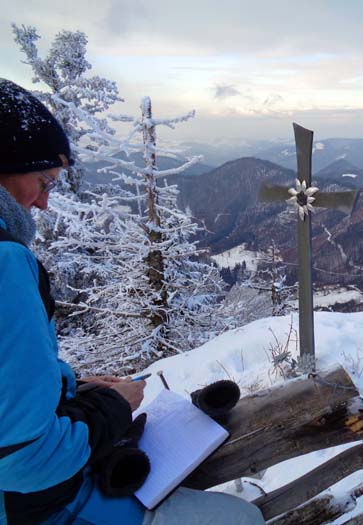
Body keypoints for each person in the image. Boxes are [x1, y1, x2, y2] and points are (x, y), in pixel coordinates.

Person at [0, 79, 263, 525]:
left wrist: (67, 387)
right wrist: (114, 405)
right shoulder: (6, 264)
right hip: (40, 509)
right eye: (43, 180)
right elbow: (26, 460)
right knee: (240, 520)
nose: (44, 202)